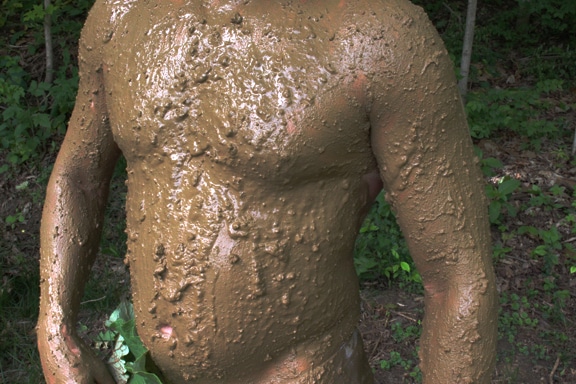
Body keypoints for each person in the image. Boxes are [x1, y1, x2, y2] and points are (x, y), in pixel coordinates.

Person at [37, 0, 498, 383]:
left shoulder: (377, 35)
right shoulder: (123, 12)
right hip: (147, 370)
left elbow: (457, 278)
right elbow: (79, 174)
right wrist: (54, 325)